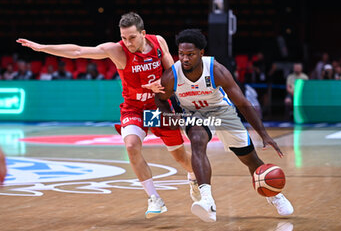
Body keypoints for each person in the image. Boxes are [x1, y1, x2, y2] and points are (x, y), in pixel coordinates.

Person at [17, 12, 199, 218]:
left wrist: (163, 86)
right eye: (123, 37)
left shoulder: (158, 42)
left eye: (132, 37)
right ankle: (154, 198)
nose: (127, 42)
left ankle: (193, 176)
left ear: (143, 33)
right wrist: (42, 48)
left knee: (181, 157)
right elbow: (77, 51)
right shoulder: (116, 50)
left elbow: (172, 72)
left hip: (159, 107)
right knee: (131, 145)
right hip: (134, 108)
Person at [154, 29, 294, 222]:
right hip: (194, 114)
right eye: (181, 54)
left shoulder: (216, 70)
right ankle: (207, 200)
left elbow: (243, 103)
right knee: (197, 139)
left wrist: (264, 134)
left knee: (249, 158)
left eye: (190, 54)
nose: (185, 59)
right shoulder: (172, 75)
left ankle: (273, 193)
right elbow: (159, 98)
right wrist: (170, 115)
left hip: (222, 111)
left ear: (201, 53)